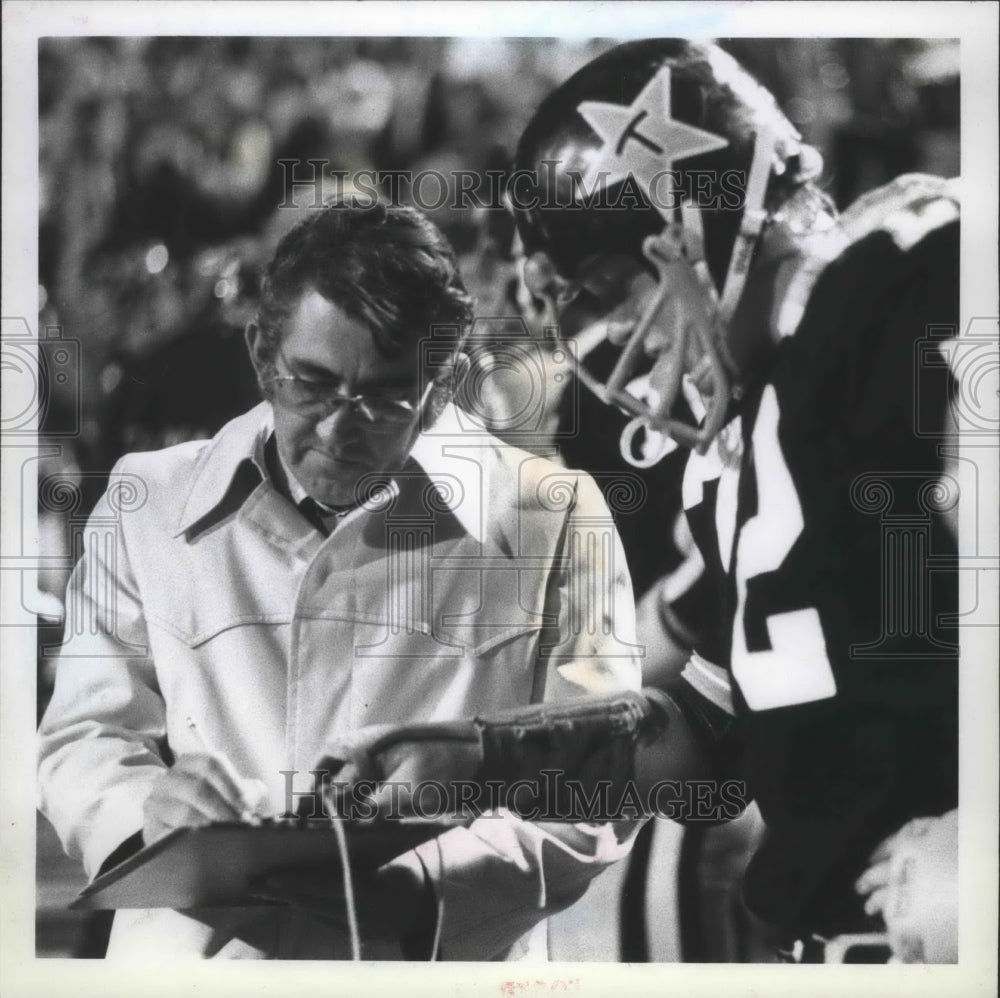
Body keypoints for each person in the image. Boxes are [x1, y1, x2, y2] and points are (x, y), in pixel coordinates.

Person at [319, 41, 960, 963]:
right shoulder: (738, 434)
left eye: (610, 293)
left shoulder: (906, 285)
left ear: (693, 231)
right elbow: (708, 719)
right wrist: (485, 758)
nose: (608, 337)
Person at [36, 197, 643, 960]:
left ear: (446, 382)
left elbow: (601, 780)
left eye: (386, 398)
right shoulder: (148, 503)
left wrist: (427, 887)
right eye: (310, 384)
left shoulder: (552, 517)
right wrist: (145, 811)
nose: (336, 428)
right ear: (261, 353)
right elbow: (84, 735)